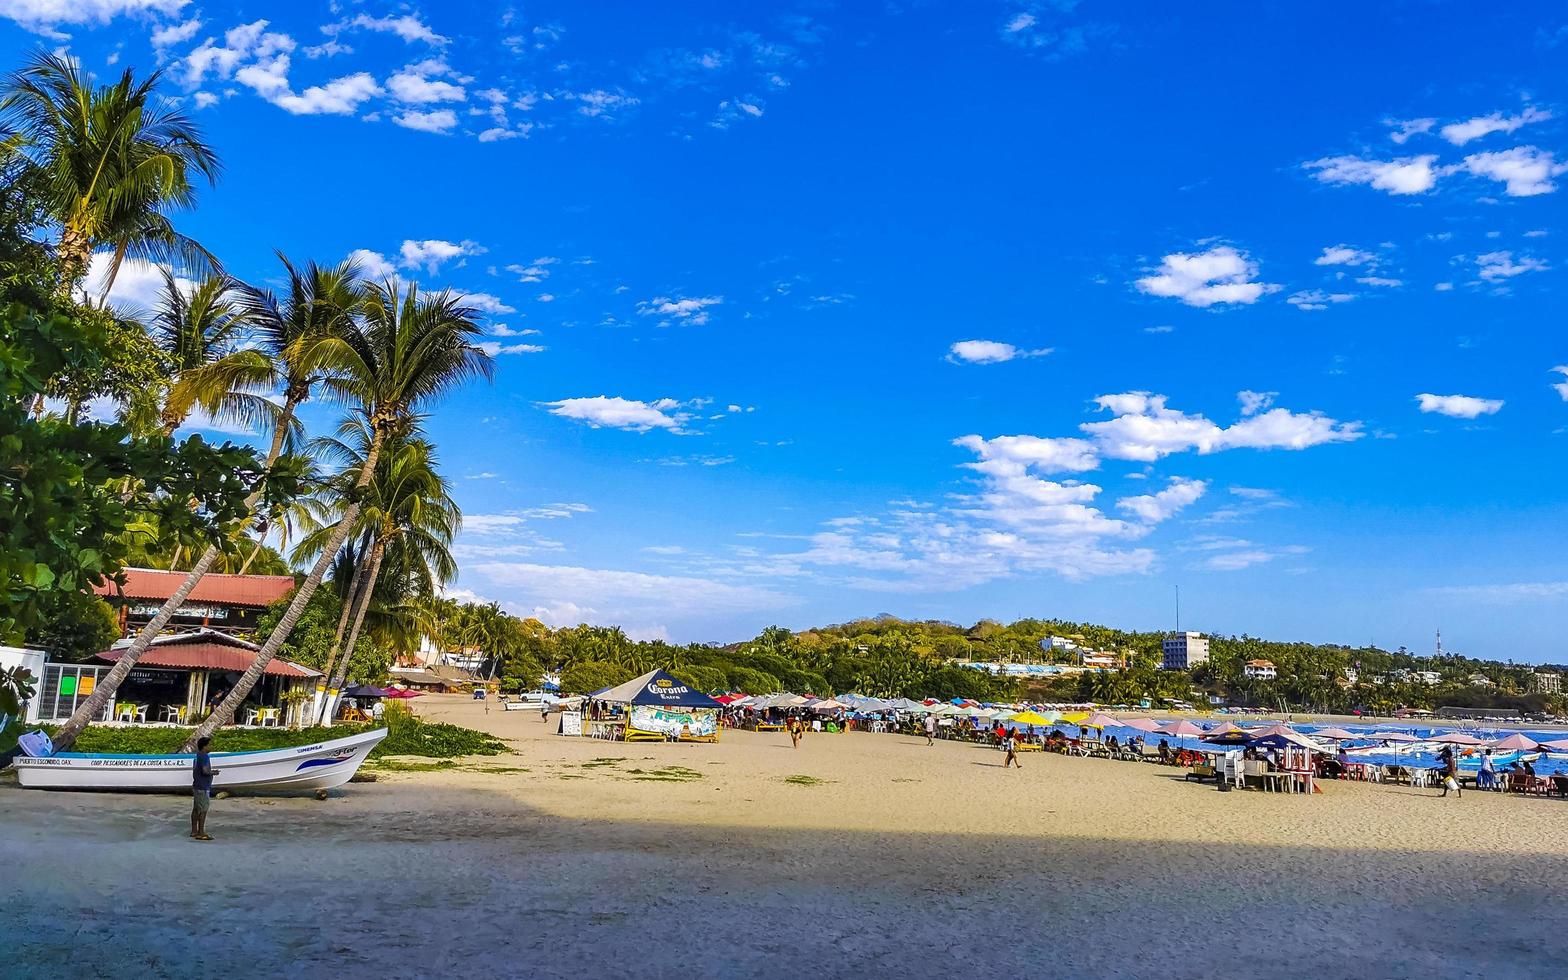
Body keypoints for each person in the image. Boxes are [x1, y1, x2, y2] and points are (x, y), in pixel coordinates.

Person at [190, 736, 220, 841]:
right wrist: (214, 772)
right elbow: (205, 771)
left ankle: (194, 830)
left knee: (196, 809)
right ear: (204, 746)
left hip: (197, 785)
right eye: (210, 745)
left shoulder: (197, 755)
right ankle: (201, 832)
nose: (211, 747)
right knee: (203, 810)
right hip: (203, 786)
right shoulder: (205, 756)